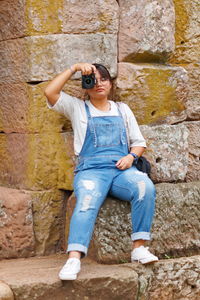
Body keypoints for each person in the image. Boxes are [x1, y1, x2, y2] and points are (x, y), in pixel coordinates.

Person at [44, 62, 158, 281]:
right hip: (91, 171)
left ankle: (139, 247)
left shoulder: (122, 109)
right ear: (86, 86)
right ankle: (74, 258)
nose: (99, 84)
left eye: (103, 79)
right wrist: (74, 68)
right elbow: (50, 92)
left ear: (110, 83)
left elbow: (139, 142)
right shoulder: (77, 107)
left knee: (145, 187)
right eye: (92, 80)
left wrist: (131, 157)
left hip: (121, 171)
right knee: (86, 200)